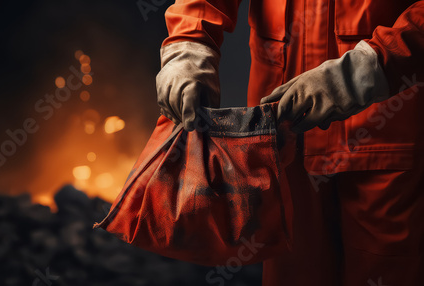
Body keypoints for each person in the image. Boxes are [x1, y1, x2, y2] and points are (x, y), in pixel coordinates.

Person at [155, 1, 424, 285]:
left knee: (390, 270)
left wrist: (380, 60)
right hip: (282, 138)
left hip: (388, 135)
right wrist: (189, 41)